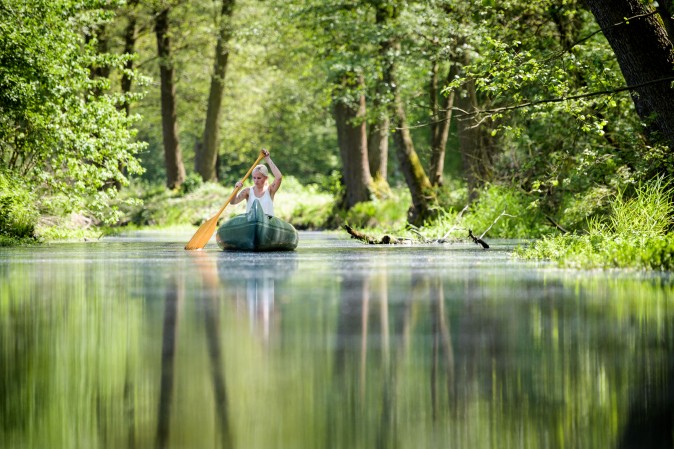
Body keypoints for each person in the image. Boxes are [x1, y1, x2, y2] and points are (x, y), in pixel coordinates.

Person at [231, 149, 282, 216]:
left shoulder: (270, 190)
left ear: (266, 178)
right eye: (254, 178)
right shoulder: (247, 191)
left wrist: (268, 159)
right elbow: (232, 202)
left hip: (266, 224)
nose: (256, 181)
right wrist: (236, 189)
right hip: (252, 224)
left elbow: (278, 177)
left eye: (259, 178)